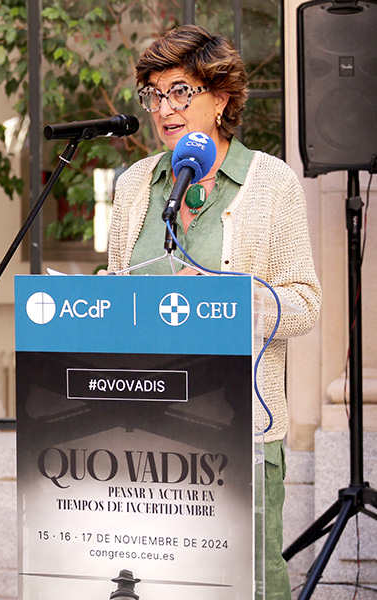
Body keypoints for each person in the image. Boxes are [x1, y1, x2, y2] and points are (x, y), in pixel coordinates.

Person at [106, 25, 322, 599]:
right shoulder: (134, 186)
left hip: (238, 432)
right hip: (142, 434)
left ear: (221, 98)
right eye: (153, 94)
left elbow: (304, 302)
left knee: (245, 586)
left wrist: (226, 300)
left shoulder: (271, 183)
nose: (164, 108)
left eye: (180, 91)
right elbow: (116, 295)